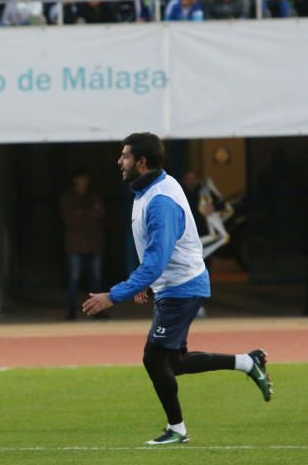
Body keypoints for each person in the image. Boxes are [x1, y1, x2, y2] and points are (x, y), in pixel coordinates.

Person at [82, 132, 273, 445]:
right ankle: (246, 362)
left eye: (125, 155)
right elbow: (156, 255)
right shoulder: (150, 188)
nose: (120, 160)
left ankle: (177, 430)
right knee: (173, 362)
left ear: (142, 162)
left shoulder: (160, 201)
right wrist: (147, 281)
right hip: (175, 284)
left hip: (181, 287)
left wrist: (113, 296)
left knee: (153, 359)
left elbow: (157, 261)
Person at [61, 169, 106, 320]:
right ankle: (71, 310)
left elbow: (100, 214)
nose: (84, 182)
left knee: (96, 279)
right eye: (81, 179)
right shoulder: (68, 198)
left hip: (94, 243)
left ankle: (98, 310)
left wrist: (82, 214)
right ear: (75, 180)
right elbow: (70, 219)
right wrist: (88, 214)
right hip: (76, 244)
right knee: (74, 278)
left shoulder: (93, 196)